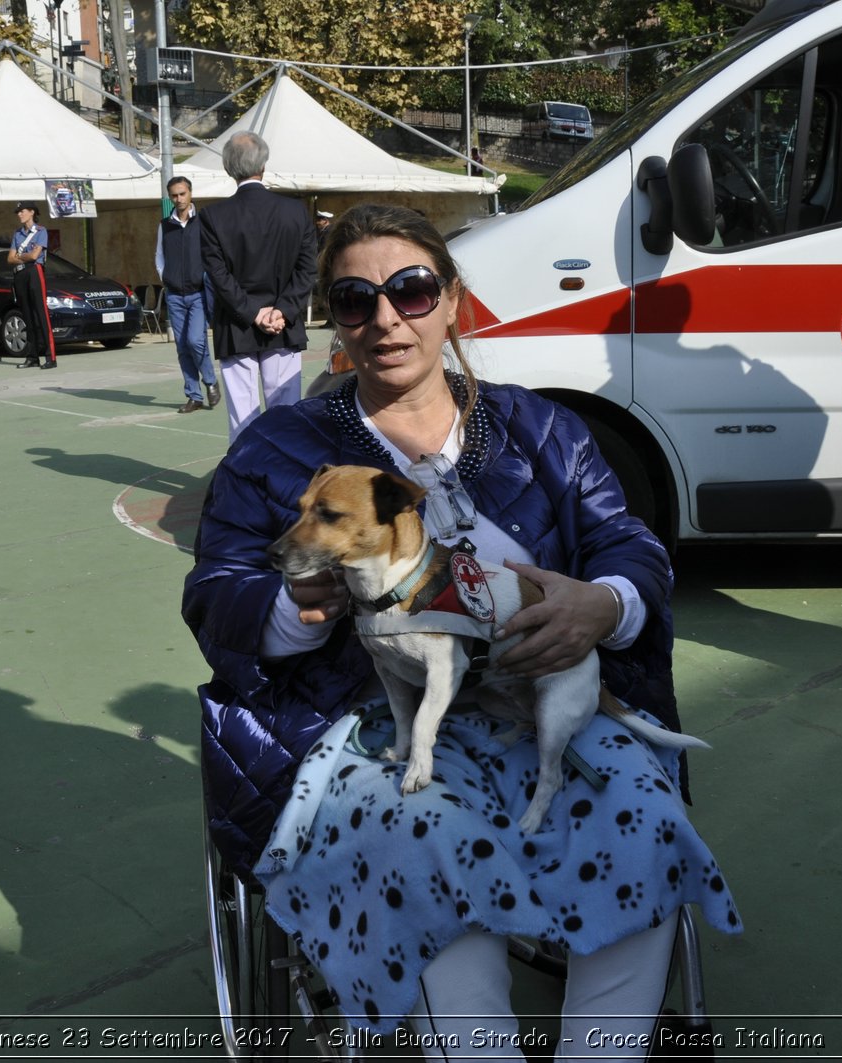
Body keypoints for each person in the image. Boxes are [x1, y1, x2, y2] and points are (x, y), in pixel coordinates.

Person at [184, 204, 740, 1053]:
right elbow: (217, 585)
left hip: (534, 696)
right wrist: (293, 611)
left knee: (643, 812)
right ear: (332, 317)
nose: (384, 319)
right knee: (432, 838)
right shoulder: (276, 449)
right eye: (353, 298)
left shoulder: (543, 430)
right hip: (361, 722)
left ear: (452, 302)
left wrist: (608, 602)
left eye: (409, 290)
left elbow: (623, 541)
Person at [199, 131, 317, 443]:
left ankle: (244, 481)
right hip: (283, 325)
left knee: (243, 417)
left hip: (237, 324)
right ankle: (288, 477)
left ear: (228, 168)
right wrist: (282, 311)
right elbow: (307, 269)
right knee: (286, 412)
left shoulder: (213, 216)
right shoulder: (295, 212)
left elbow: (218, 275)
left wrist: (253, 313)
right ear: (263, 165)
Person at [156, 177, 220, 412]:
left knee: (195, 340)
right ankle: (194, 395)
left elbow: (213, 255)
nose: (179, 199)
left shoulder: (203, 222)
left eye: (182, 194)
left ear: (190, 193)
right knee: (182, 346)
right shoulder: (165, 225)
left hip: (198, 293)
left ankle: (211, 381)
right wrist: (166, 278)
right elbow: (159, 256)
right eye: (174, 195)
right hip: (174, 294)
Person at [7, 202, 57, 370]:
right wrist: (25, 256)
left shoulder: (41, 231)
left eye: (22, 211)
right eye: (18, 212)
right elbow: (10, 258)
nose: (19, 214)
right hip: (20, 273)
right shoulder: (17, 233)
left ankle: (51, 356)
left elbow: (36, 255)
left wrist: (21, 256)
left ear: (31, 212)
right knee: (27, 315)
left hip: (35, 272)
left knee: (41, 313)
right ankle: (32, 356)